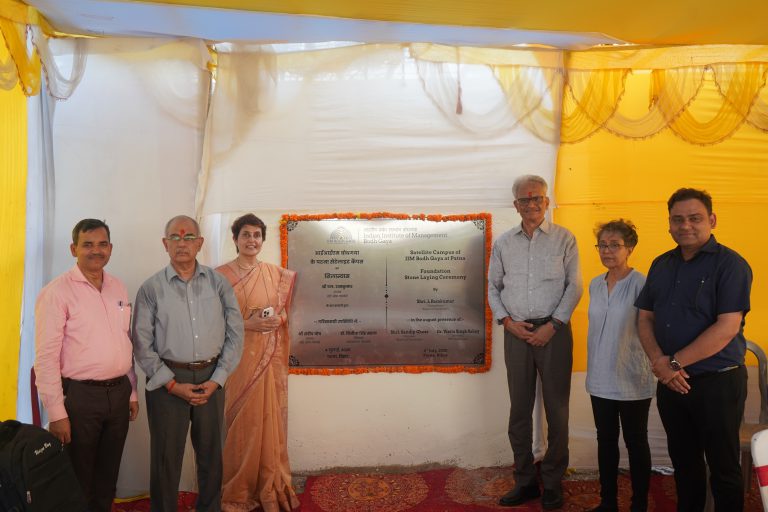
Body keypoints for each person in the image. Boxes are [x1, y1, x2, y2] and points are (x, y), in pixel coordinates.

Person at [635, 188, 752, 512]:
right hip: (671, 383)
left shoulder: (731, 265)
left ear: (711, 220)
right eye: (678, 219)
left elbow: (727, 327)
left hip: (718, 382)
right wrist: (660, 363)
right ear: (669, 224)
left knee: (724, 467)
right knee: (684, 465)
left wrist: (672, 363)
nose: (685, 225)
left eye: (695, 218)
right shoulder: (661, 264)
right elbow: (645, 318)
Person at [132, 215, 244, 512]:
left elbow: (235, 333)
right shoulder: (151, 288)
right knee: (166, 458)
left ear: (200, 243)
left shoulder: (218, 284)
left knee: (211, 455)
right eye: (175, 237)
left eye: (189, 237)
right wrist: (171, 384)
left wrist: (218, 379)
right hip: (166, 380)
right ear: (165, 243)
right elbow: (142, 343)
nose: (182, 243)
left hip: (211, 376)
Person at [488, 174, 583, 510]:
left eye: (537, 198)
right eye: (525, 199)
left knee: (557, 410)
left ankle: (554, 483)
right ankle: (525, 481)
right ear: (516, 205)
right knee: (519, 410)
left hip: (554, 333)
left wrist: (553, 325)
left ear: (547, 201)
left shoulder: (564, 239)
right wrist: (507, 322)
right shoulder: (504, 243)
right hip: (516, 334)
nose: (532, 204)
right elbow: (493, 288)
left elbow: (574, 286)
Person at [34, 218, 139, 512]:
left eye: (102, 244)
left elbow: (125, 341)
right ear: (73, 249)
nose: (96, 251)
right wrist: (57, 413)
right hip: (80, 397)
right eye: (88, 244)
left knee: (108, 475)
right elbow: (45, 358)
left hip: (118, 393)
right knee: (77, 477)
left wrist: (131, 391)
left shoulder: (118, 287)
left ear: (111, 248)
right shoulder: (57, 292)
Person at [217, 213, 300, 511]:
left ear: (263, 240)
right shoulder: (220, 276)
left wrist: (279, 319)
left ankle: (267, 481)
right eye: (246, 235)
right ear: (235, 239)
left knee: (266, 420)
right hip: (237, 361)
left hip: (268, 360)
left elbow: (286, 314)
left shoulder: (275, 274)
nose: (251, 240)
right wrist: (248, 325)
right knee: (241, 425)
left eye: (256, 235)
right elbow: (213, 322)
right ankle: (238, 488)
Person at [586, 219, 654, 512]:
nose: (607, 250)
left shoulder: (641, 284)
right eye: (602, 245)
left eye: (615, 245)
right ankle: (608, 502)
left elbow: (651, 327)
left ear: (630, 248)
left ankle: (639, 504)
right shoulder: (595, 284)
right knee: (605, 440)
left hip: (632, 376)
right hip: (599, 376)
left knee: (636, 441)